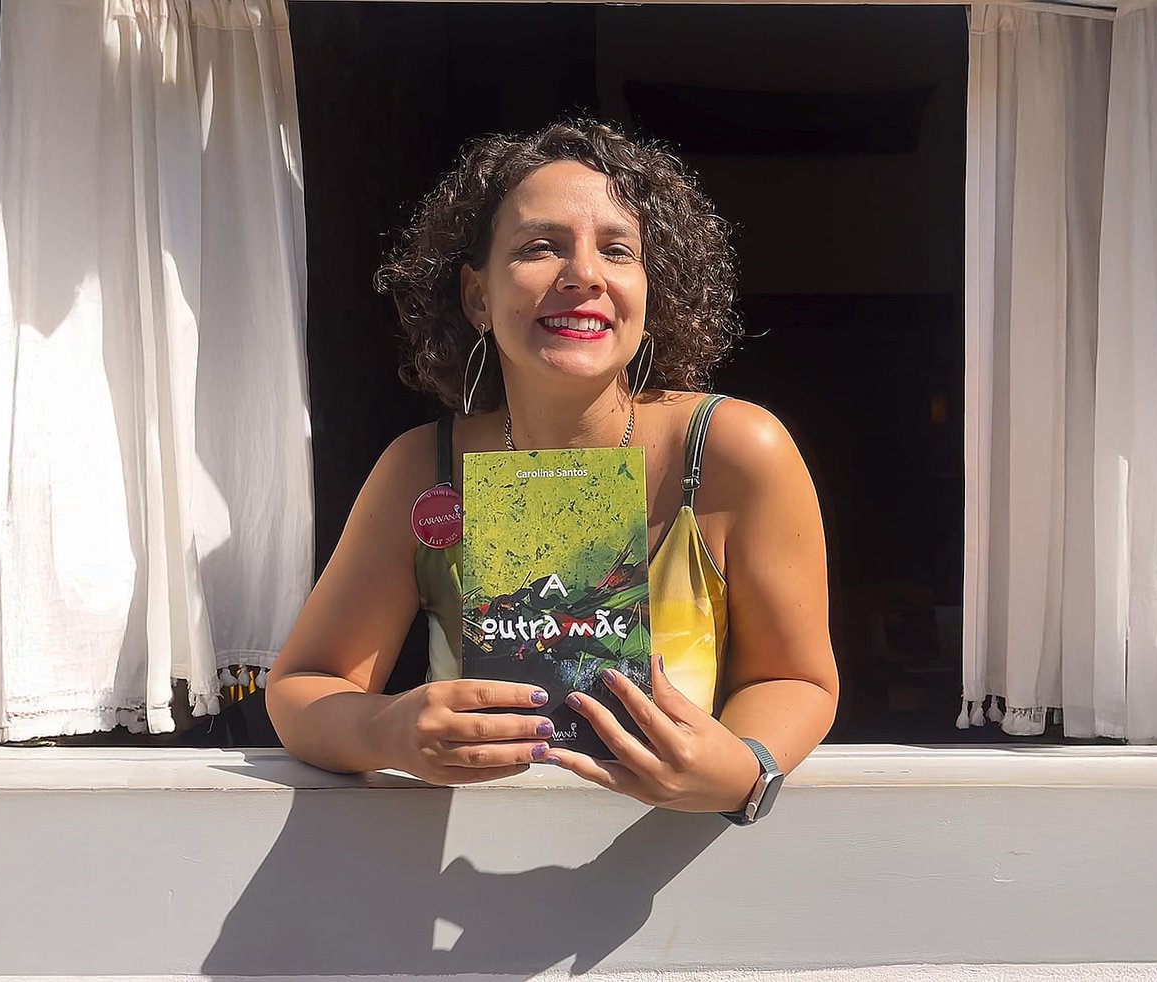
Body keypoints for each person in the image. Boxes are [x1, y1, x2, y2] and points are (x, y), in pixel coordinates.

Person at [266, 120, 838, 819]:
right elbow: (304, 686)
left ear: (650, 291)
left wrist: (744, 768)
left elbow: (797, 678)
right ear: (477, 297)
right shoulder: (422, 470)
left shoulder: (734, 451)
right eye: (541, 247)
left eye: (617, 250)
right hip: (463, 864)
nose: (584, 275)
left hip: (668, 865)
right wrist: (386, 729)